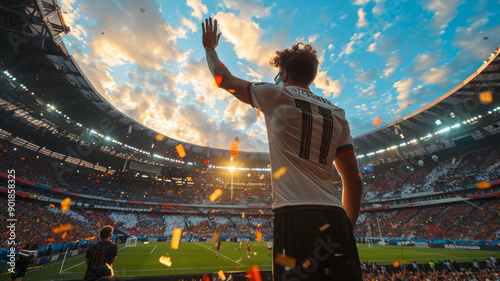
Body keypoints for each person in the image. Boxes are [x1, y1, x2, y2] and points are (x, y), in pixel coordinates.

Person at [201, 16, 363, 281]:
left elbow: (223, 79)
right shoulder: (338, 113)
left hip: (295, 215)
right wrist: (345, 229)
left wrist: (209, 49)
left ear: (284, 74)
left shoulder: (276, 93)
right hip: (335, 215)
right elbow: (353, 182)